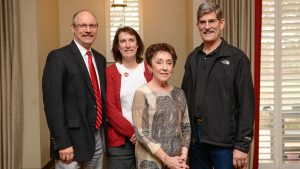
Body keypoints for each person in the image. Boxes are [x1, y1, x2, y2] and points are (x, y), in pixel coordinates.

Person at [181, 2, 255, 169]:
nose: (207, 27)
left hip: (225, 143)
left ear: (222, 23)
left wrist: (242, 146)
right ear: (197, 25)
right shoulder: (192, 58)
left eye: (212, 21)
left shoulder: (237, 58)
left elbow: (246, 105)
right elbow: (184, 100)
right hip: (196, 139)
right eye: (202, 22)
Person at [42, 10, 107, 169]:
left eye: (92, 25)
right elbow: (53, 105)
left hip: (96, 138)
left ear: (97, 28)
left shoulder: (100, 59)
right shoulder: (58, 57)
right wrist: (63, 143)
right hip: (70, 141)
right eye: (82, 25)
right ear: (73, 28)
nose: (88, 30)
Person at [132, 43, 191, 169]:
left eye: (169, 63)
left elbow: (186, 127)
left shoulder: (179, 93)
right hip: (150, 161)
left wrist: (183, 157)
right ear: (149, 67)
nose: (165, 67)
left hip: (178, 162)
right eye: (159, 62)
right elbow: (141, 133)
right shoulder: (142, 93)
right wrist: (166, 159)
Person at [106, 26, 152, 169]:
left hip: (148, 139)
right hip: (120, 143)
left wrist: (143, 133)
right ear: (117, 46)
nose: (127, 45)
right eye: (123, 41)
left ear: (137, 44)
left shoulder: (149, 69)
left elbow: (156, 103)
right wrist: (133, 133)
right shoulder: (111, 72)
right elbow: (110, 108)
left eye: (131, 40)